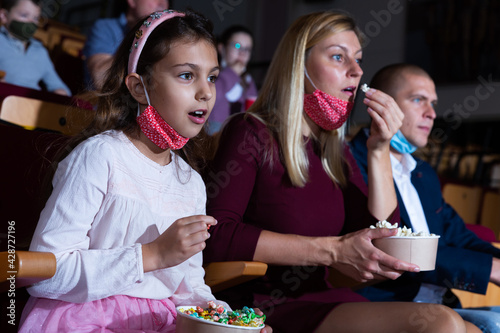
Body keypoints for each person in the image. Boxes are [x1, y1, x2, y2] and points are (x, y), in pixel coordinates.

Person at [203, 11, 480, 333]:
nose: (357, 70)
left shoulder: (338, 152)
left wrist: (378, 149)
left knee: (470, 329)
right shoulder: (251, 132)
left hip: (333, 299)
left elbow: (385, 237)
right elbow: (216, 233)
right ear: (299, 65)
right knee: (442, 323)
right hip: (266, 303)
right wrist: (332, 251)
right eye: (338, 56)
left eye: (359, 60)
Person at [18, 9, 270, 333]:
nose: (206, 92)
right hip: (85, 319)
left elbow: (189, 289)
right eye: (186, 75)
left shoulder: (191, 183)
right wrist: (150, 256)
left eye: (211, 77)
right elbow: (43, 275)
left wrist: (229, 323)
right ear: (139, 87)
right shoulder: (101, 157)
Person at [349, 63, 500, 332]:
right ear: (382, 103)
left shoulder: (423, 172)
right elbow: (395, 249)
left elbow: (458, 236)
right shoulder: (348, 163)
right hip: (387, 303)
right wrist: (489, 268)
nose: (431, 114)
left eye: (433, 103)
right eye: (418, 100)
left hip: (441, 303)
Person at [83, 0, 169, 90]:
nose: (162, 3)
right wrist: (140, 35)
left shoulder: (165, 36)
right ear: (132, 1)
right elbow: (100, 80)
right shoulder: (105, 27)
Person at [0, 0, 71, 95]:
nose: (31, 23)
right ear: (4, 15)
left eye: (36, 18)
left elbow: (58, 86)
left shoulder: (40, 51)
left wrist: (61, 92)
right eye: (24, 15)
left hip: (32, 104)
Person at [207, 25, 257, 134]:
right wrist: (232, 74)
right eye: (237, 46)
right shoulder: (212, 74)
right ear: (222, 48)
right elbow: (211, 99)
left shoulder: (248, 81)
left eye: (247, 49)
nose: (242, 53)